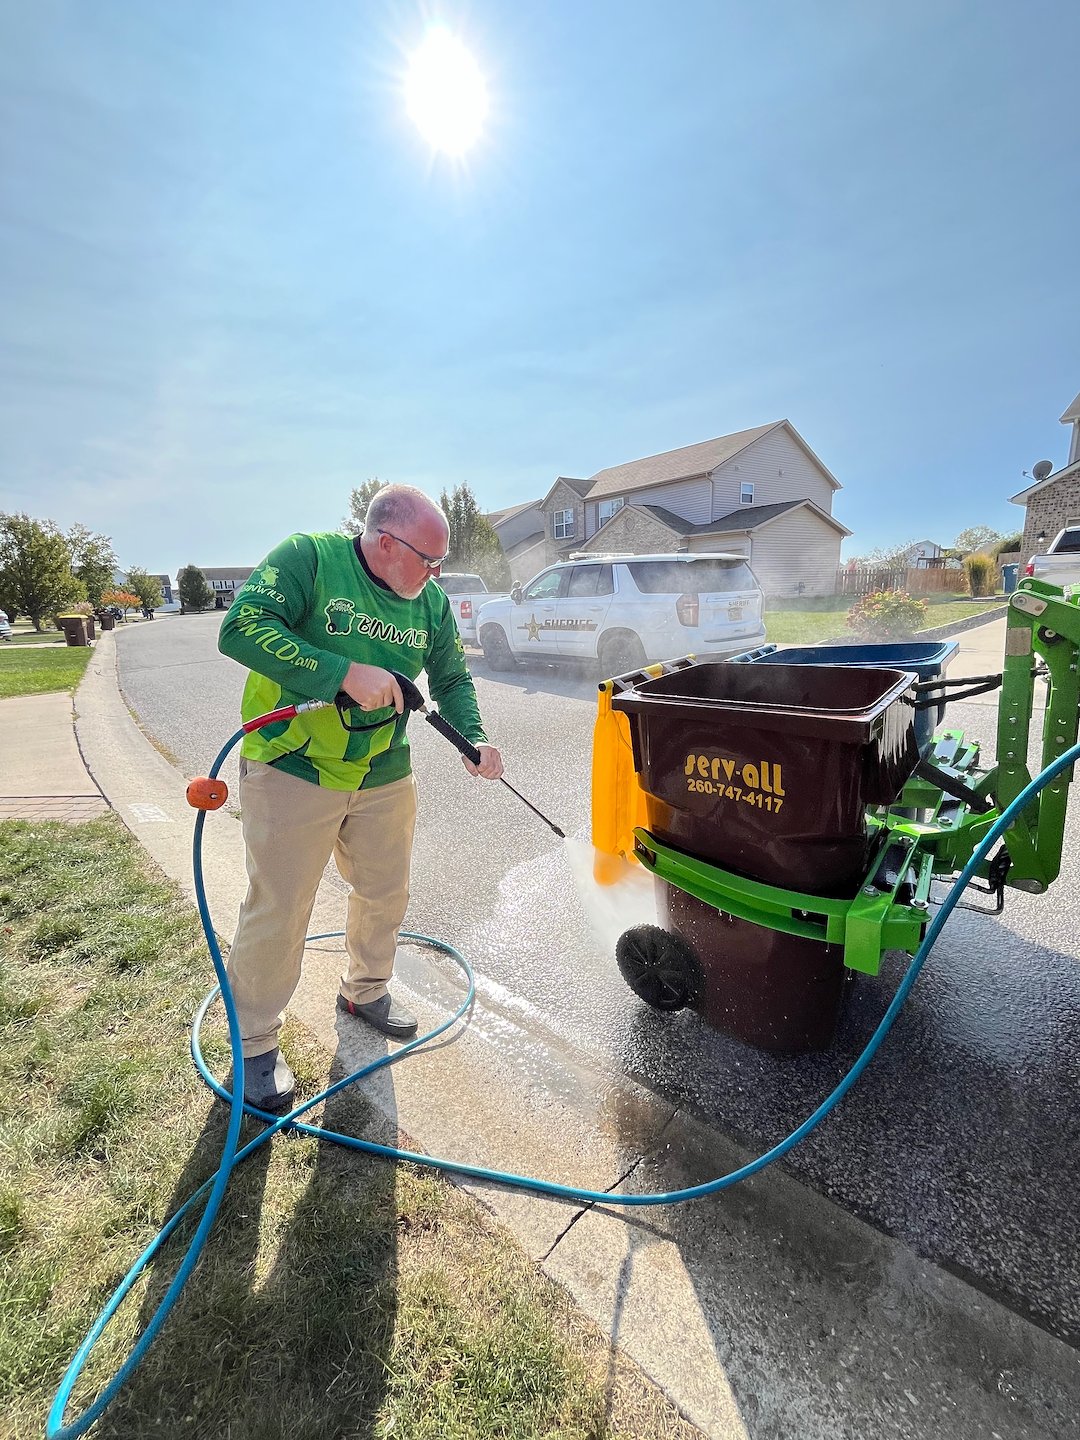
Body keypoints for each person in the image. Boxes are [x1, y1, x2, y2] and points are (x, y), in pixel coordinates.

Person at [218, 485, 503, 1112]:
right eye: (428, 560)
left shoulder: (426, 602)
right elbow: (242, 628)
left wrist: (473, 738)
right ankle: (255, 1043)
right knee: (281, 907)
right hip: (294, 762)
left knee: (384, 891)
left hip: (381, 767)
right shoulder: (309, 559)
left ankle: (364, 991)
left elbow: (452, 677)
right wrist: (342, 673)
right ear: (383, 542)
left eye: (440, 564)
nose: (436, 576)